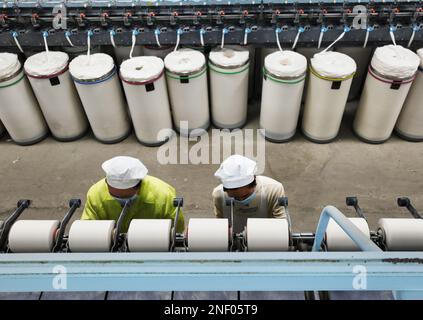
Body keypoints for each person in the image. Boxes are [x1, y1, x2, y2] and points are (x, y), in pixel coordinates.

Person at [81, 156, 184, 232]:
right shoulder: (95, 194)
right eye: (115, 196)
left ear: (139, 186)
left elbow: (176, 227)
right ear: (106, 183)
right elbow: (87, 227)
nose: (121, 201)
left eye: (125, 197)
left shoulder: (163, 194)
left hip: (153, 242)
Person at [213, 154, 286, 233]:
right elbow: (221, 223)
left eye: (245, 196)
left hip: (267, 237)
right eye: (235, 197)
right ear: (226, 191)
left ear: (254, 183)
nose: (241, 200)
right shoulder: (219, 195)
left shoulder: (273, 190)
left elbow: (282, 224)